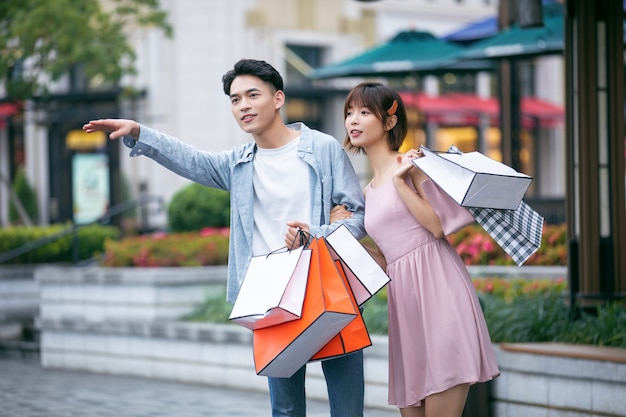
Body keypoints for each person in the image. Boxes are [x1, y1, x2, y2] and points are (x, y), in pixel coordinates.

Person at [83, 59, 367, 417]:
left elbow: (357, 216)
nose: (243, 105)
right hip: (271, 296)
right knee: (286, 408)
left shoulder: (322, 148)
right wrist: (140, 132)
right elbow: (192, 160)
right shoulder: (239, 163)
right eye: (235, 100)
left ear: (278, 98)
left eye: (252, 95)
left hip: (326, 283)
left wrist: (317, 235)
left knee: (347, 408)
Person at [335, 81, 500, 417]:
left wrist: (400, 181)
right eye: (350, 112)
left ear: (390, 121)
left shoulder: (414, 166)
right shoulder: (366, 192)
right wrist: (339, 233)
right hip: (406, 306)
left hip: (440, 294)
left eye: (364, 112)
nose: (353, 120)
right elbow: (386, 258)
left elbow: (437, 225)